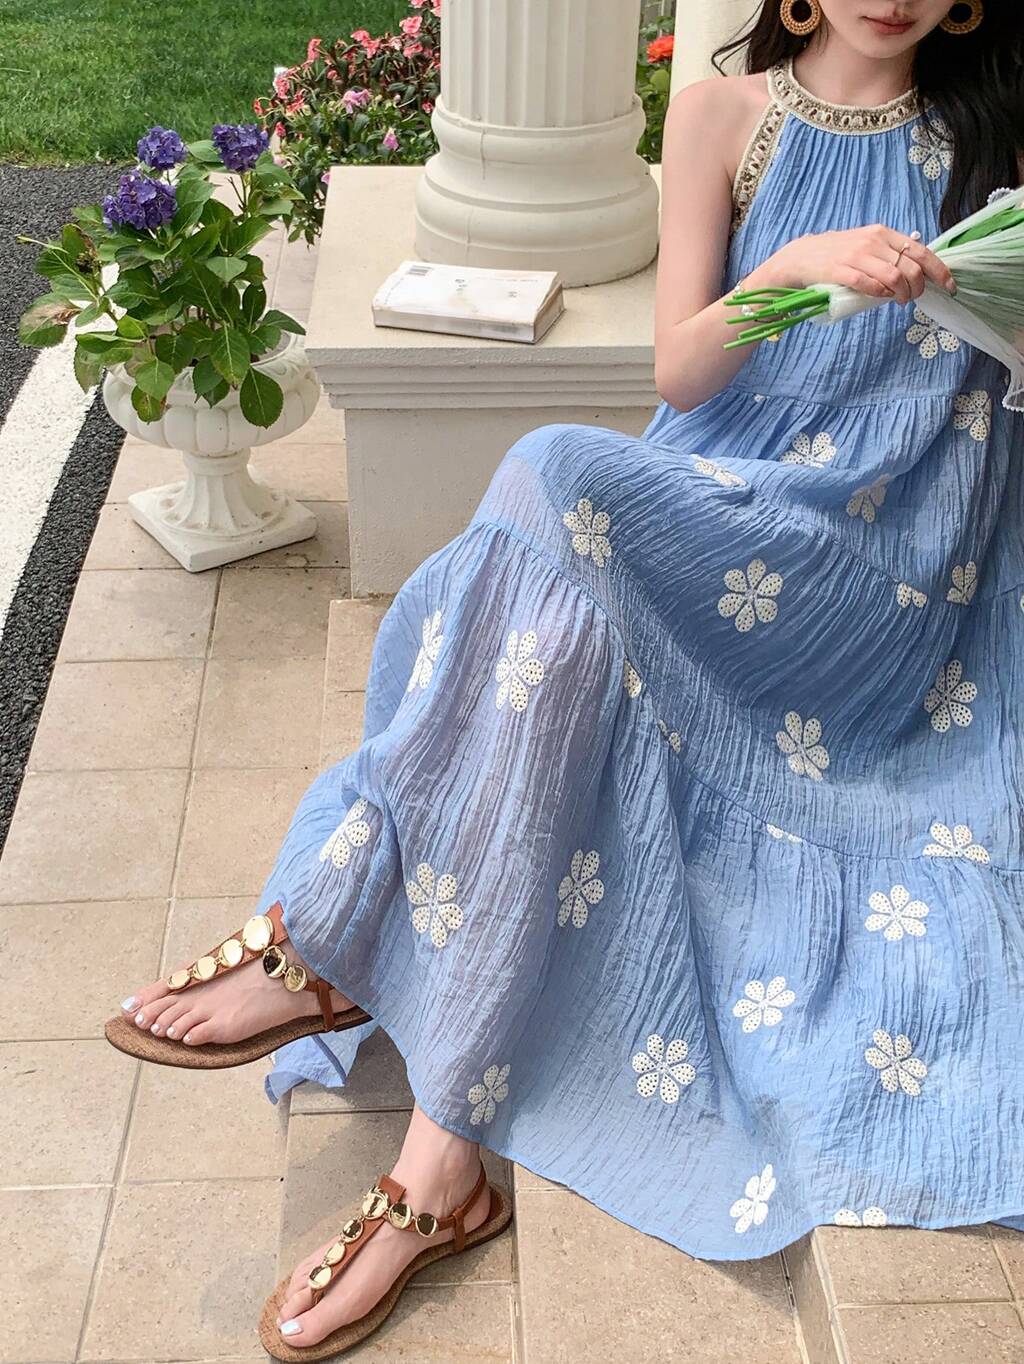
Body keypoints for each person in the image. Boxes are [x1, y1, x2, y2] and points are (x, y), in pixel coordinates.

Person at [106, 1, 1024, 1357]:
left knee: (544, 505)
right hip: (727, 493)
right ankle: (439, 1158)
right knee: (548, 597)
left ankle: (339, 946)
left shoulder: (993, 142)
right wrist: (804, 272)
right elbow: (683, 371)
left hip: (876, 572)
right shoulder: (724, 118)